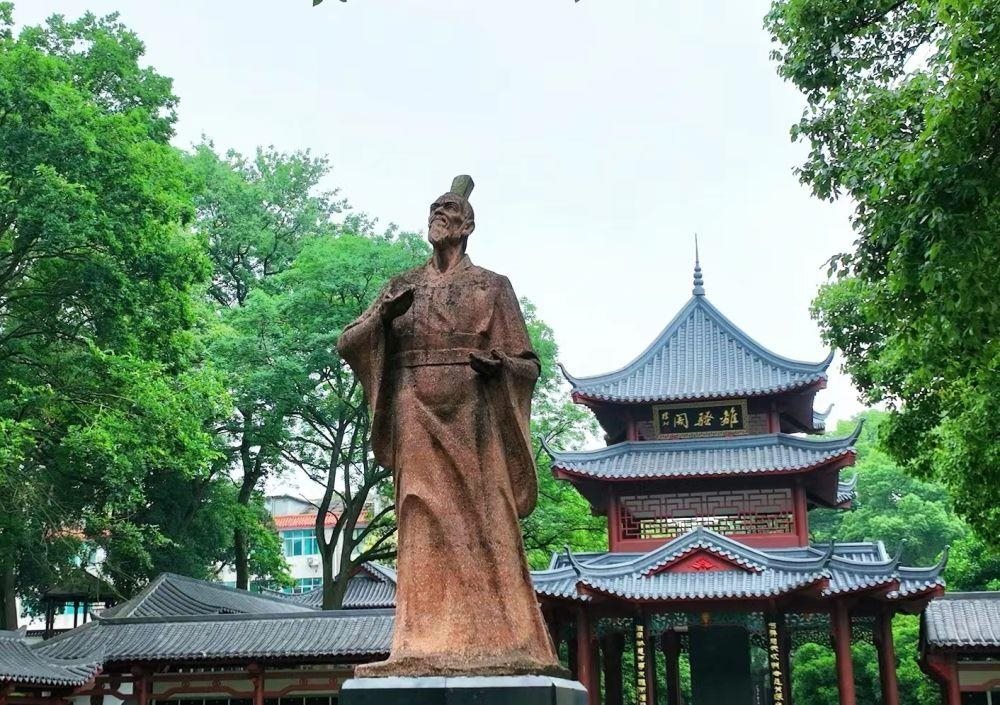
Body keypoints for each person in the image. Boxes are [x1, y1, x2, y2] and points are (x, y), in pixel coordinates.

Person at [338, 176, 560, 677]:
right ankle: (419, 643)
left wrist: (500, 366)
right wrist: (382, 318)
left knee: (489, 517)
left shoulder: (493, 286)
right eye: (433, 210)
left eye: (448, 210)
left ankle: (504, 640)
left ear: (467, 225)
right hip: (413, 410)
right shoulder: (401, 285)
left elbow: (528, 365)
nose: (438, 216)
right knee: (418, 515)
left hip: (475, 412)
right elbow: (349, 342)